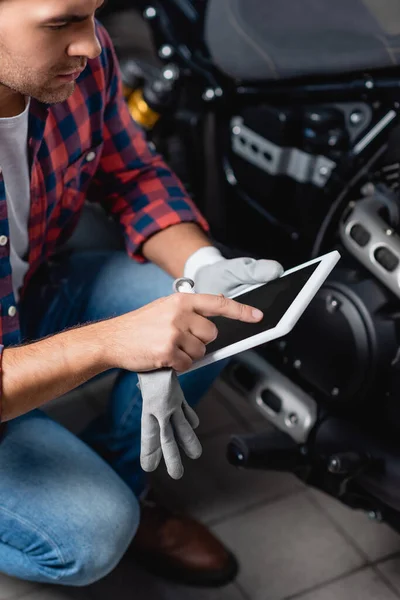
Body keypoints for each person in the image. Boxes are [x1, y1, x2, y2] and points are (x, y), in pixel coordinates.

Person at [0, 0, 283, 589]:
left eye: (92, 14)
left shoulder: (75, 65)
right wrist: (111, 343)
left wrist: (205, 267)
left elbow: (132, 174)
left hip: (22, 298)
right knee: (92, 533)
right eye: (62, 23)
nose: (92, 44)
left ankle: (119, 476)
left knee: (199, 313)